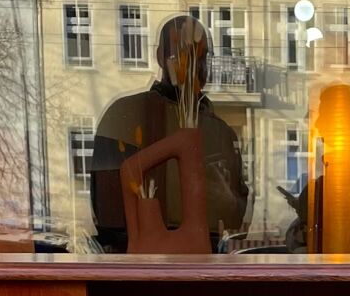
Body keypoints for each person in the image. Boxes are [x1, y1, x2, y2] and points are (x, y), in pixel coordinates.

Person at [90, 14, 249, 251]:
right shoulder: (125, 116)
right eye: (181, 54)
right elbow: (109, 217)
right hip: (138, 265)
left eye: (202, 57)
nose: (193, 65)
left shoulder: (221, 133)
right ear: (160, 57)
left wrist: (224, 197)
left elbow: (235, 220)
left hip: (205, 264)